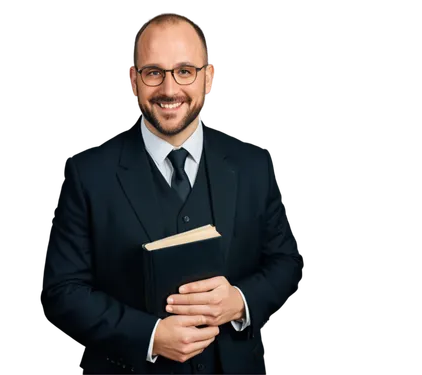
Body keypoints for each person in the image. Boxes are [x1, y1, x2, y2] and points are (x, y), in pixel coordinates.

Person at [42, 11, 303, 374]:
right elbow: (62, 291)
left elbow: (287, 264)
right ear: (132, 81)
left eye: (185, 71)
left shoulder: (254, 164)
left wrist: (239, 301)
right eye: (153, 72)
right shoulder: (86, 173)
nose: (169, 89)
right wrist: (148, 336)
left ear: (209, 78)